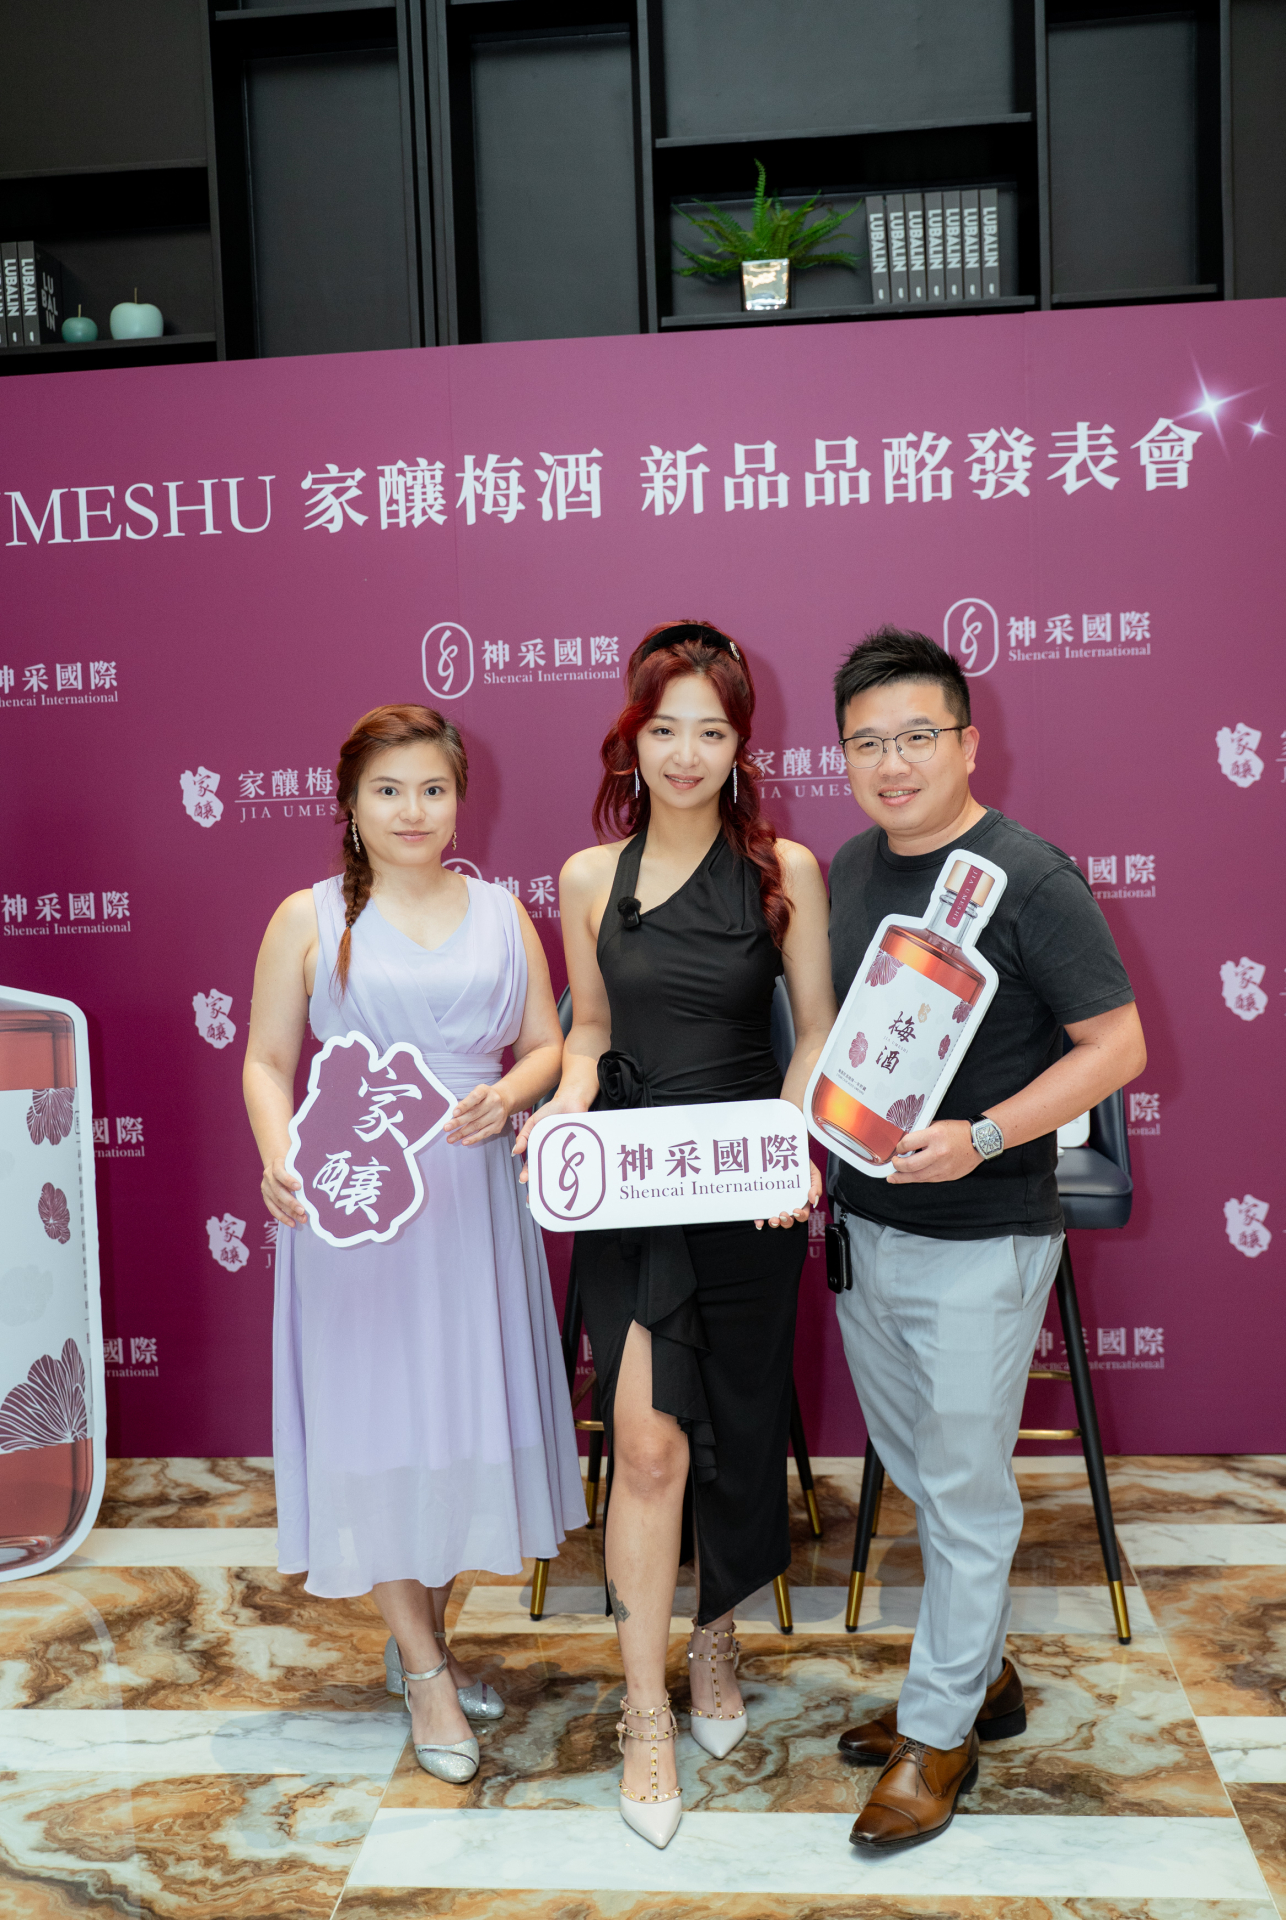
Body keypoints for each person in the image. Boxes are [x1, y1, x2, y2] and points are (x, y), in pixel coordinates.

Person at [824, 628, 1146, 1853]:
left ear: (967, 741)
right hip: (865, 1226)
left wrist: (984, 1134)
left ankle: (937, 1736)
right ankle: (981, 1678)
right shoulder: (850, 868)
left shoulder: (1027, 876)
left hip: (981, 1235)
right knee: (919, 1470)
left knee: (963, 1490)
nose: (892, 762)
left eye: (916, 735)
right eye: (866, 742)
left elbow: (1115, 1046)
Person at [519, 622, 837, 1849]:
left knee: (735, 1436)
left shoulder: (784, 870)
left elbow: (813, 1030)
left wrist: (788, 1143)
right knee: (647, 1448)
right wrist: (564, 1112)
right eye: (664, 729)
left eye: (711, 731)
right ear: (631, 739)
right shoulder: (587, 877)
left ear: (740, 744)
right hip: (633, 1185)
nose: (687, 753)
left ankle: (715, 1635)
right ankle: (643, 1711)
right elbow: (591, 1033)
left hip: (746, 1184)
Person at [243, 702, 585, 1785]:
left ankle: (418, 1638)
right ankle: (428, 1671)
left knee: (455, 1428)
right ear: (350, 804)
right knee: (377, 1427)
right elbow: (265, 1062)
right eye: (387, 791)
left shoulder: (502, 913)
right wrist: (277, 1156)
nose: (411, 811)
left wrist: (510, 1094)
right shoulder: (307, 918)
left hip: (472, 1205)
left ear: (459, 799)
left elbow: (547, 1045)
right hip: (353, 1213)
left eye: (432, 789)